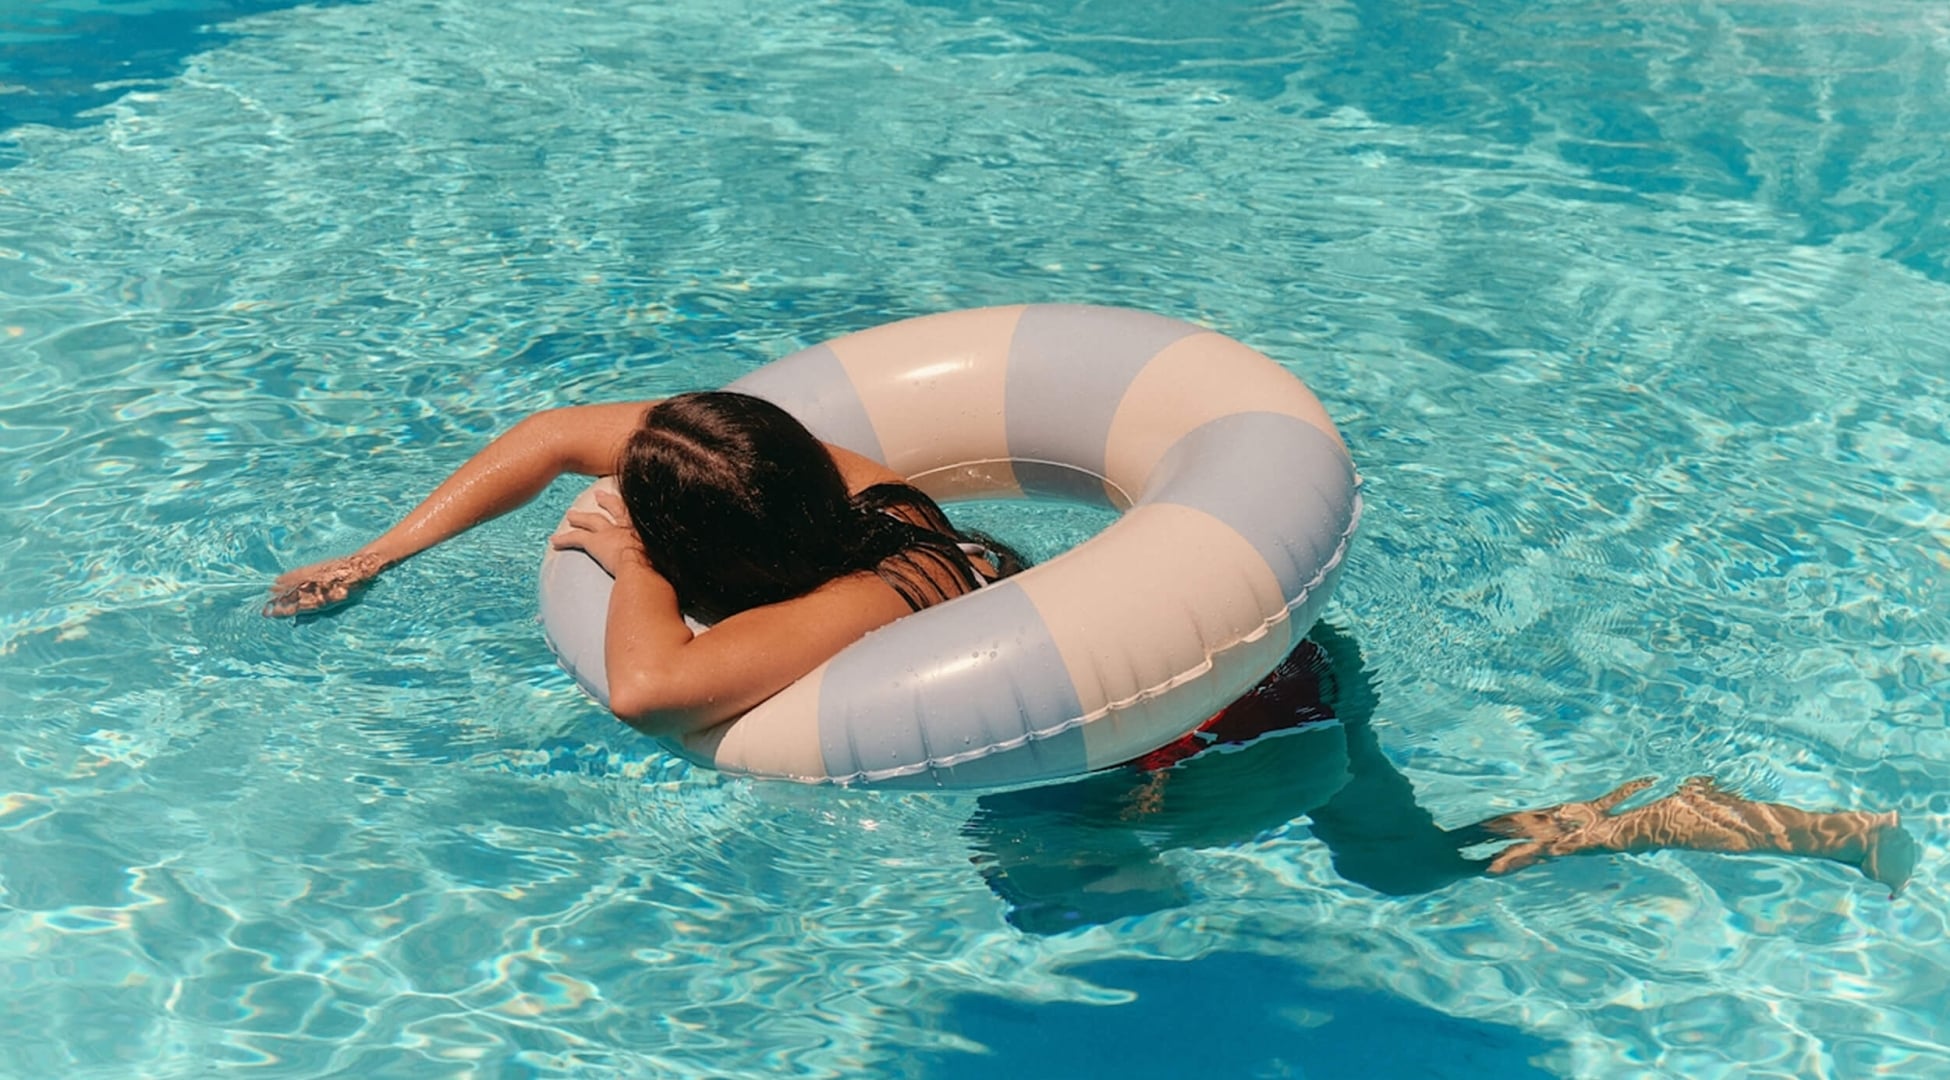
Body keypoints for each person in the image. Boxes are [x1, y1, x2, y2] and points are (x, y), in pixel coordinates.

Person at [970, 624, 1917, 933]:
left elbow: (1144, 866)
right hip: (1311, 675)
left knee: (1392, 860)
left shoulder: (1029, 824)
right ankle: (1663, 819)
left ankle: (1650, 821)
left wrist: (1129, 853)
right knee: (1398, 865)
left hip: (1253, 744)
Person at [265, 391, 1022, 738]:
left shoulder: (871, 596)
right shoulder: (832, 488)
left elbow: (647, 693)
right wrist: (375, 557)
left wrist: (636, 558)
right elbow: (555, 434)